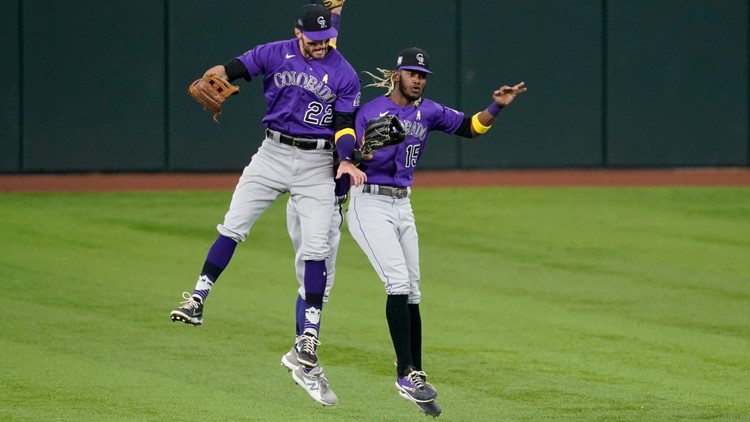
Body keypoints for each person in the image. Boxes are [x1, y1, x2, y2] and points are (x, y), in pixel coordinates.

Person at [169, 3, 366, 406]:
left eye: (325, 39)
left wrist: (346, 155)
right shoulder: (273, 52)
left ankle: (308, 337)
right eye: (312, 40)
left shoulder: (344, 72)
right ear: (298, 34)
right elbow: (235, 67)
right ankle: (197, 298)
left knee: (316, 249)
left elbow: (344, 123)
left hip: (316, 162)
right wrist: (218, 73)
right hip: (272, 153)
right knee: (233, 224)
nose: (319, 45)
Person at [345, 47, 526, 415]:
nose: (418, 80)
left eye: (423, 75)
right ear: (397, 75)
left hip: (402, 204)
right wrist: (363, 152)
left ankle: (415, 373)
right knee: (396, 281)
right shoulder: (368, 111)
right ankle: (403, 374)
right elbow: (347, 158)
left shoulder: (429, 111)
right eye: (412, 73)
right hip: (369, 202)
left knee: (412, 289)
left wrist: (497, 106)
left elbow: (471, 128)